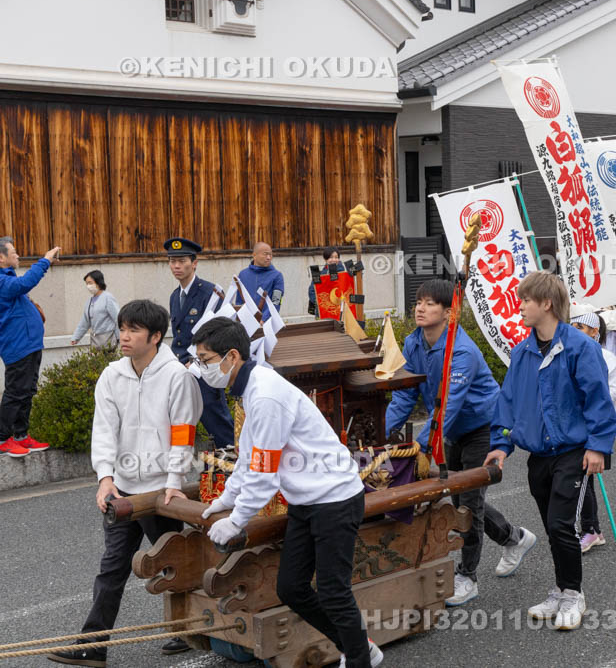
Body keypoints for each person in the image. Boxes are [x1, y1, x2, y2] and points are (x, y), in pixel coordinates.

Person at [195, 317, 381, 668]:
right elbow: (250, 456)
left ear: (231, 356)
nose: (202, 369)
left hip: (334, 497)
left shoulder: (264, 395)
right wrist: (227, 498)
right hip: (305, 500)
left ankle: (359, 659)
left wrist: (235, 521)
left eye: (205, 360)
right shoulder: (253, 389)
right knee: (292, 588)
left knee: (333, 590)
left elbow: (264, 475)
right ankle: (358, 646)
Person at [46, 300, 202, 666]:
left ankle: (189, 629)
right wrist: (105, 479)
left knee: (174, 565)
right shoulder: (112, 375)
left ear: (156, 336)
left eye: (133, 330)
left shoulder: (176, 376)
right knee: (112, 568)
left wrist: (175, 481)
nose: (124, 336)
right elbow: (103, 431)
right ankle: (94, 645)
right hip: (124, 491)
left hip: (162, 493)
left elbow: (183, 432)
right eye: (123, 328)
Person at [384, 279, 535, 605]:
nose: (420, 308)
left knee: (468, 502)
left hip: (482, 428)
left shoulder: (462, 351)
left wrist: (422, 445)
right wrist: (383, 436)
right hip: (449, 430)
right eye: (418, 302)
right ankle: (514, 538)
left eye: (429, 303)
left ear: (449, 313)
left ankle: (468, 576)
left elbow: (449, 405)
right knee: (455, 496)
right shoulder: (414, 343)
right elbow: (405, 394)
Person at [485, 272, 616, 631]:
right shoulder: (523, 351)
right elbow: (508, 401)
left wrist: (598, 447)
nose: (521, 306)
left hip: (574, 452)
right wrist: (500, 443)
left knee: (562, 524)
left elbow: (598, 399)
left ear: (546, 303)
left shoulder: (579, 346)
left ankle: (574, 593)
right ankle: (559, 589)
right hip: (538, 455)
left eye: (526, 300)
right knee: (551, 524)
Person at [164, 237, 234, 450]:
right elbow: (179, 338)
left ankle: (233, 466)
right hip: (183, 370)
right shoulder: (175, 297)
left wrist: (196, 363)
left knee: (216, 421)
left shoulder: (209, 293)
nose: (176, 266)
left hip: (205, 371)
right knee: (182, 420)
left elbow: (219, 333)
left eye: (182, 261)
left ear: (194, 263)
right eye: (172, 261)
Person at [0, 238, 60, 457]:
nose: (17, 256)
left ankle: (20, 435)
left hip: (29, 345)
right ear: (1, 257)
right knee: (16, 392)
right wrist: (45, 260)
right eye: (13, 252)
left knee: (27, 391)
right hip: (18, 347)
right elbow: (25, 283)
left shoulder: (8, 279)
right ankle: (2, 439)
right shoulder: (3, 282)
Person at [570, 308, 616, 549]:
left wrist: (590, 391)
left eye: (579, 327)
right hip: (574, 425)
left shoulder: (607, 358)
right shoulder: (570, 354)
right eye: (572, 327)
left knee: (585, 477)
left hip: (596, 426)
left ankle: (591, 529)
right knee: (582, 478)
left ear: (594, 332)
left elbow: (615, 392)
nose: (574, 332)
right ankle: (593, 529)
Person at [71, 270, 120, 348]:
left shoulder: (108, 298)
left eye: (90, 283)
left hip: (109, 340)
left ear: (98, 282)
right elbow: (85, 322)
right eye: (86, 283)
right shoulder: (89, 301)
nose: (88, 286)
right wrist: (76, 337)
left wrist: (119, 338)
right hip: (95, 340)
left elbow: (118, 318)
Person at [237, 242, 284, 320]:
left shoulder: (277, 276)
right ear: (254, 255)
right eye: (265, 254)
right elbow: (239, 302)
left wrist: (263, 319)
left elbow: (276, 302)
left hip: (267, 324)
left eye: (270, 255)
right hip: (245, 322)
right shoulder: (242, 275)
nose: (268, 257)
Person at [308, 247, 341, 315]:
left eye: (336, 257)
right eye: (331, 257)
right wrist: (319, 302)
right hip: (322, 310)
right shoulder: (320, 274)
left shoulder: (344, 273)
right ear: (325, 259)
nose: (334, 260)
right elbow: (312, 290)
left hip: (339, 310)